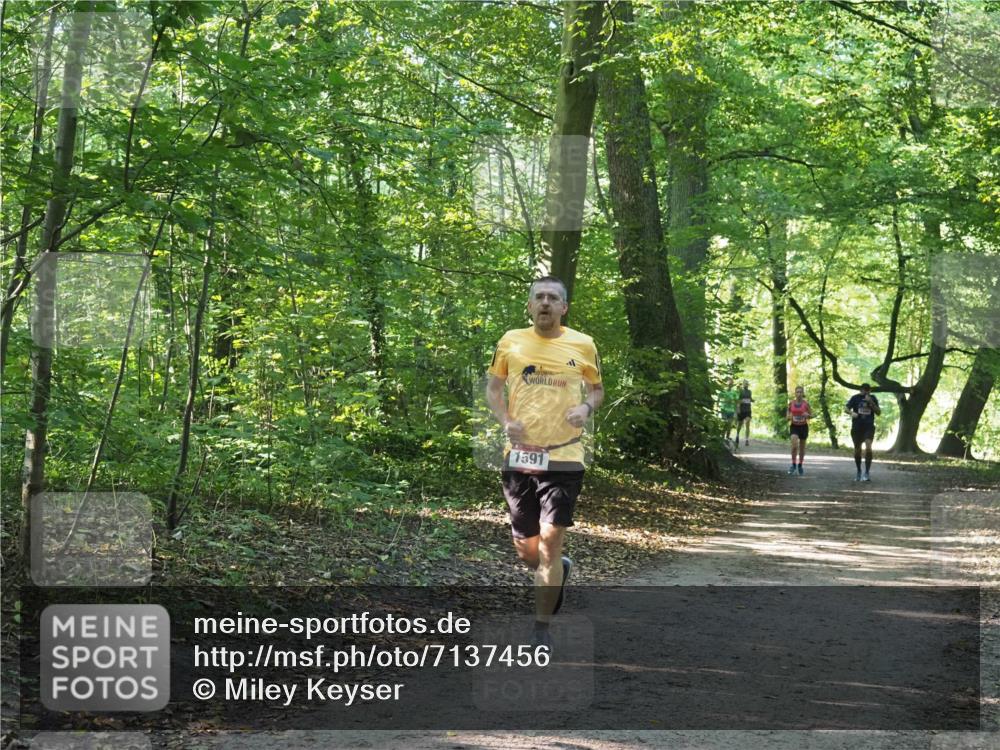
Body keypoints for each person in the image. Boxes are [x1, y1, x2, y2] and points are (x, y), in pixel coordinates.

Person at [485, 276, 604, 647]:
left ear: (564, 307)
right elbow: (493, 389)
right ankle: (556, 571)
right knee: (528, 552)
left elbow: (597, 389)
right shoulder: (511, 341)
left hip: (565, 456)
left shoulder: (583, 344)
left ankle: (541, 630)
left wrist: (585, 406)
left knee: (552, 542)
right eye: (539, 297)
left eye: (553, 298)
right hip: (519, 458)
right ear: (530, 305)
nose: (546, 303)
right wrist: (506, 421)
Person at [846, 383, 881, 482]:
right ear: (860, 390)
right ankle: (859, 471)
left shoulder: (873, 398)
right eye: (864, 390)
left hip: (869, 426)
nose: (866, 391)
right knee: (857, 450)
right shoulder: (855, 398)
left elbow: (878, 412)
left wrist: (871, 403)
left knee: (868, 447)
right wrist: (851, 413)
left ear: (870, 390)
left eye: (868, 390)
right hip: (857, 427)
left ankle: (867, 472)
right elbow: (846, 408)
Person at [786, 386, 813, 475]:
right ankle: (793, 464)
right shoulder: (791, 403)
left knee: (802, 448)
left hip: (803, 427)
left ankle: (800, 465)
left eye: (801, 392)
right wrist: (788, 417)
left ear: (803, 393)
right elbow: (787, 415)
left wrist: (807, 415)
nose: (799, 394)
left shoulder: (806, 404)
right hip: (794, 426)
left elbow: (811, 415)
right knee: (794, 446)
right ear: (795, 393)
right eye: (797, 392)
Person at [720, 378, 739, 448]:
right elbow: (718, 400)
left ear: (732, 385)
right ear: (726, 384)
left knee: (729, 425)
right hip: (724, 410)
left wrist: (736, 411)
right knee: (724, 424)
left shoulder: (734, 393)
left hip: (731, 411)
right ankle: (722, 438)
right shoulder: (723, 391)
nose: (730, 385)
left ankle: (727, 438)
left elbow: (737, 402)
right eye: (728, 384)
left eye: (731, 384)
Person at [735, 380, 753, 446]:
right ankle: (737, 435)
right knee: (739, 425)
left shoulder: (750, 391)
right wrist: (738, 409)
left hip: (748, 410)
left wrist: (752, 400)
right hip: (741, 410)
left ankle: (747, 440)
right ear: (743, 384)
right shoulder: (740, 391)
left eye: (747, 384)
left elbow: (750, 399)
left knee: (747, 423)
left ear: (748, 385)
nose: (746, 385)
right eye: (745, 384)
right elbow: (737, 401)